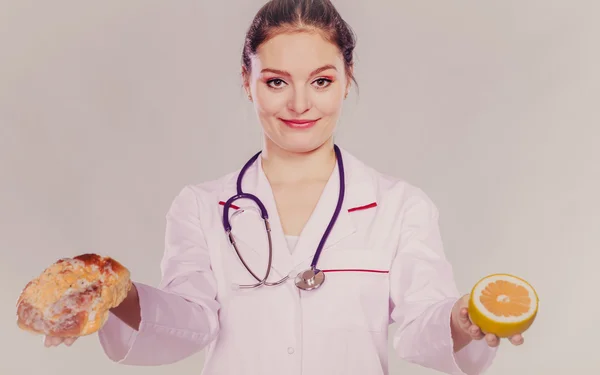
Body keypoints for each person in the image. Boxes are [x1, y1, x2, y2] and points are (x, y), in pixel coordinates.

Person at [43, 0, 525, 374]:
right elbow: (189, 322)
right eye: (276, 82)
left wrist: (464, 319)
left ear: (345, 80)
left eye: (320, 80)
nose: (299, 104)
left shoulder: (400, 206)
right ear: (247, 82)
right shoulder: (202, 206)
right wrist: (117, 295)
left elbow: (422, 329)